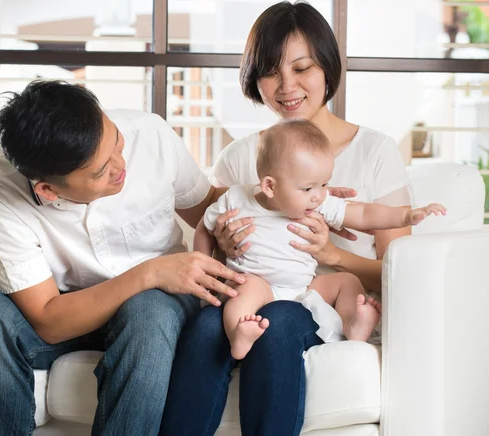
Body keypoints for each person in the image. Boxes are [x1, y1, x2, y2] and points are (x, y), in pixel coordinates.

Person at [159, 2, 415, 435]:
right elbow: (213, 254)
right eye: (272, 72)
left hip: (319, 305)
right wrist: (226, 245)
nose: (286, 86)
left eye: (302, 68)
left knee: (279, 322)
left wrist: (334, 253)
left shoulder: (375, 152)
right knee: (205, 325)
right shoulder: (240, 157)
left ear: (327, 68)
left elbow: (402, 274)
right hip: (252, 295)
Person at [0, 80, 247, 436]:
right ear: (48, 188)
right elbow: (47, 317)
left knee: (147, 311)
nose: (121, 164)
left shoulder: (149, 134)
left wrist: (276, 206)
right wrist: (148, 273)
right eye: (101, 170)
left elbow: (206, 205)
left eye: (117, 143)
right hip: (66, 308)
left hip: (159, 307)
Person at [195, 119, 445, 360]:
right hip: (260, 285)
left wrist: (405, 215)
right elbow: (204, 228)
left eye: (324, 184)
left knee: (346, 281)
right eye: (308, 188)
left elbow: (363, 213)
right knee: (244, 290)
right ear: (270, 186)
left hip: (304, 289)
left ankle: (353, 323)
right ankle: (239, 335)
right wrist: (207, 276)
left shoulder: (317, 202)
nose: (318, 196)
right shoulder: (236, 200)